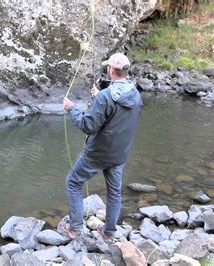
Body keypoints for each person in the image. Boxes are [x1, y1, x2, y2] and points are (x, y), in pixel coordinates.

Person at [62, 52, 143, 240]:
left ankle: (75, 229)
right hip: (119, 155)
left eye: (108, 67)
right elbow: (121, 111)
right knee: (114, 193)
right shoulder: (135, 93)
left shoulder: (106, 97)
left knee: (73, 182)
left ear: (111, 70)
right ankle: (109, 232)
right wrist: (100, 98)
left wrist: (71, 108)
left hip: (97, 154)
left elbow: (87, 126)